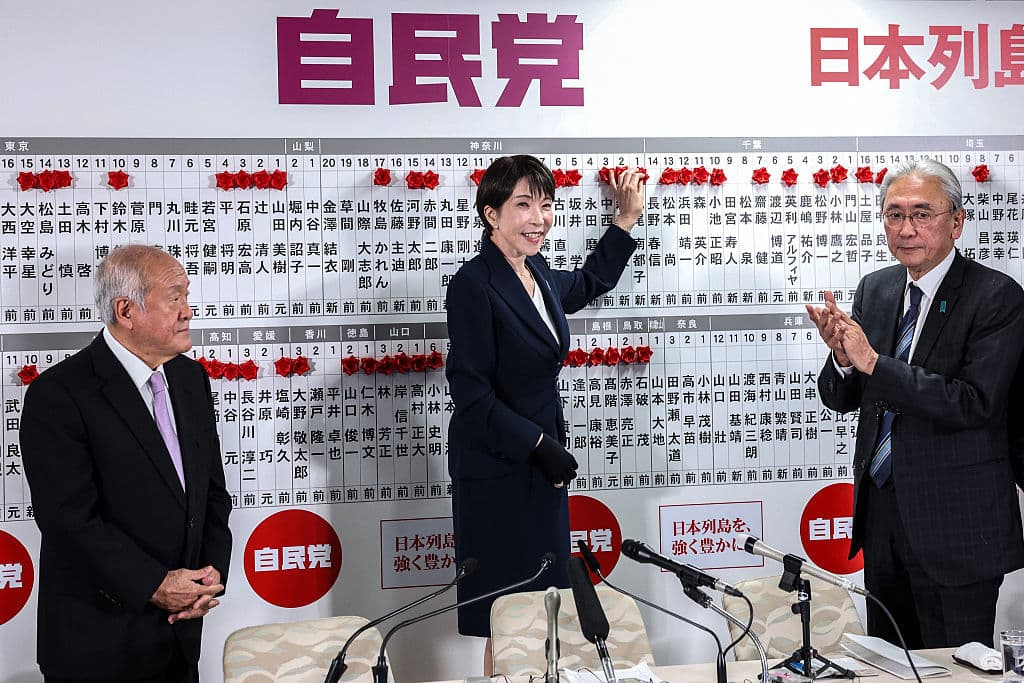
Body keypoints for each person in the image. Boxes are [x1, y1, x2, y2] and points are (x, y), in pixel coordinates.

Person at [806, 159, 1024, 649]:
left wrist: (873, 363)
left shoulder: (996, 296)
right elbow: (842, 398)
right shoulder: (877, 288)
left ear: (957, 221)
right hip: (883, 520)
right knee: (891, 663)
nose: (906, 229)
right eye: (894, 215)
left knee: (958, 671)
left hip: (958, 528)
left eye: (922, 214)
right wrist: (843, 360)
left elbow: (974, 404)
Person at [445, 154, 643, 671]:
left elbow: (588, 282)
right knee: (506, 616)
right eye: (524, 205)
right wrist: (537, 445)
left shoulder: (537, 272)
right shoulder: (473, 283)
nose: (540, 219)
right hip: (498, 468)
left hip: (541, 468)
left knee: (542, 607)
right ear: (491, 214)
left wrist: (624, 220)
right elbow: (470, 394)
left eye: (547, 205)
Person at [20, 244, 233, 682]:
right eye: (174, 299)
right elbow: (68, 520)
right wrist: (155, 585)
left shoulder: (190, 378)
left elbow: (212, 492)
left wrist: (211, 573)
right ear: (126, 310)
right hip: (99, 643)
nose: (188, 312)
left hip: (179, 636)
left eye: (186, 296)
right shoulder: (59, 394)